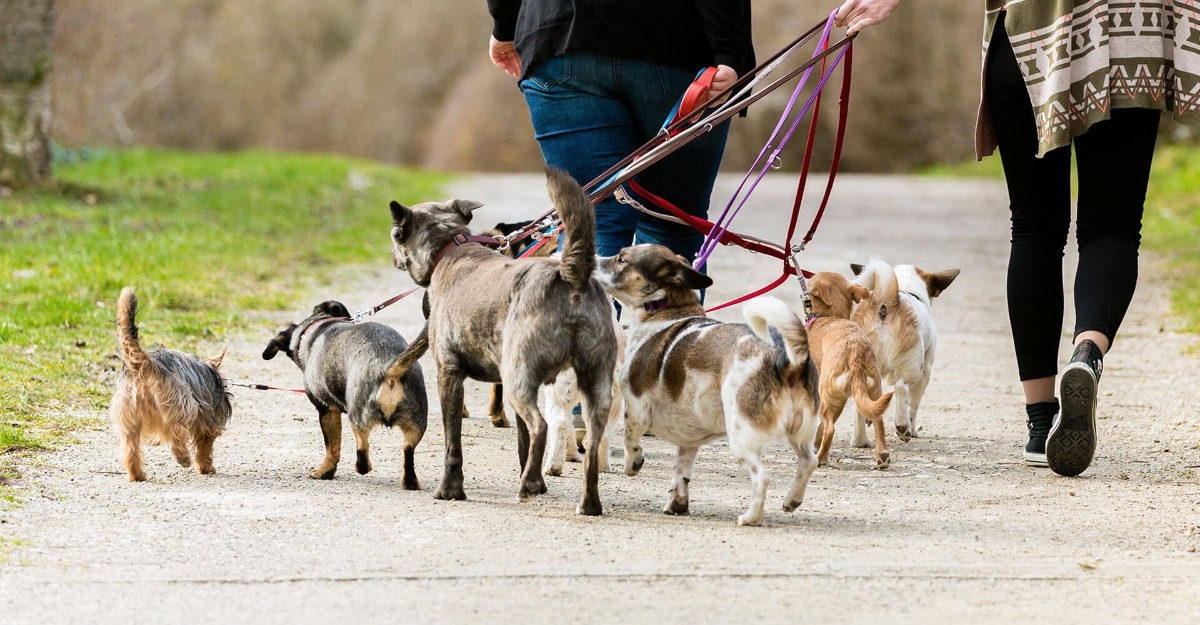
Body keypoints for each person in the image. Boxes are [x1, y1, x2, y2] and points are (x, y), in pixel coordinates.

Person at [837, 0, 1199, 476]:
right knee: (1112, 225)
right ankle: (1087, 353)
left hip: (1031, 35)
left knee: (1034, 227)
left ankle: (1039, 422)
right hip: (1129, 32)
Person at [486, 0, 754, 268]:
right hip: (675, 41)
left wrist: (504, 25)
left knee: (591, 221)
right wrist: (729, 52)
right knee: (671, 223)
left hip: (558, 37)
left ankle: (586, 296)